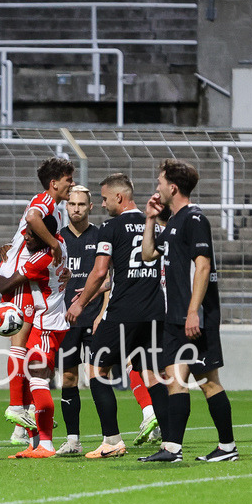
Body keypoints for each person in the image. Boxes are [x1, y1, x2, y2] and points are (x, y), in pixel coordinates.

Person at [140, 158, 238, 463]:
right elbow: (147, 254)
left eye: (159, 182)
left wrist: (194, 311)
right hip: (175, 317)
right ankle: (172, 448)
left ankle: (227, 447)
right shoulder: (172, 224)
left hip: (194, 316)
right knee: (175, 381)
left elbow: (204, 266)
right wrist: (150, 219)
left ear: (172, 187)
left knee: (208, 382)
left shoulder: (195, 219)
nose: (156, 188)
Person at [65, 173, 168, 459]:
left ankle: (111, 440)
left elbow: (100, 272)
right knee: (152, 375)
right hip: (155, 310)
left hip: (124, 311)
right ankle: (170, 443)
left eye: (106, 198)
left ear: (119, 198)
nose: (103, 203)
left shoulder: (110, 227)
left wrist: (80, 304)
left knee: (97, 370)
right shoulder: (155, 225)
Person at [0, 157, 74, 445]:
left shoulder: (51, 209)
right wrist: (53, 243)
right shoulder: (45, 201)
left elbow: (25, 232)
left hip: (21, 276)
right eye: (68, 180)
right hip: (19, 278)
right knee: (21, 343)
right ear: (55, 183)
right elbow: (31, 219)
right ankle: (18, 407)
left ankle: (24, 423)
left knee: (30, 354)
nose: (72, 184)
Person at [52, 184, 104, 456]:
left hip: (94, 318)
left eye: (81, 204)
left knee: (97, 377)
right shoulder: (57, 239)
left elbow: (109, 278)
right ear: (66, 206)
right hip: (66, 321)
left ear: (90, 207)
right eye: (71, 204)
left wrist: (103, 313)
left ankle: (110, 437)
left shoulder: (100, 235)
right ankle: (73, 440)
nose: (76, 209)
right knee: (69, 378)